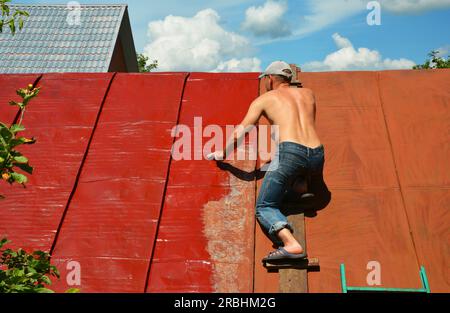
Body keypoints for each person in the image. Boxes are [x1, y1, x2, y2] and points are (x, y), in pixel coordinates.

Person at [207, 61, 325, 262]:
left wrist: (222, 153)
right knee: (292, 171)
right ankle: (302, 184)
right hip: (317, 155)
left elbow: (242, 130)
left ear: (270, 79)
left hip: (291, 154)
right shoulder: (308, 94)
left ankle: (290, 244)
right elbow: (302, 125)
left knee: (265, 206)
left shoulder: (265, 99)